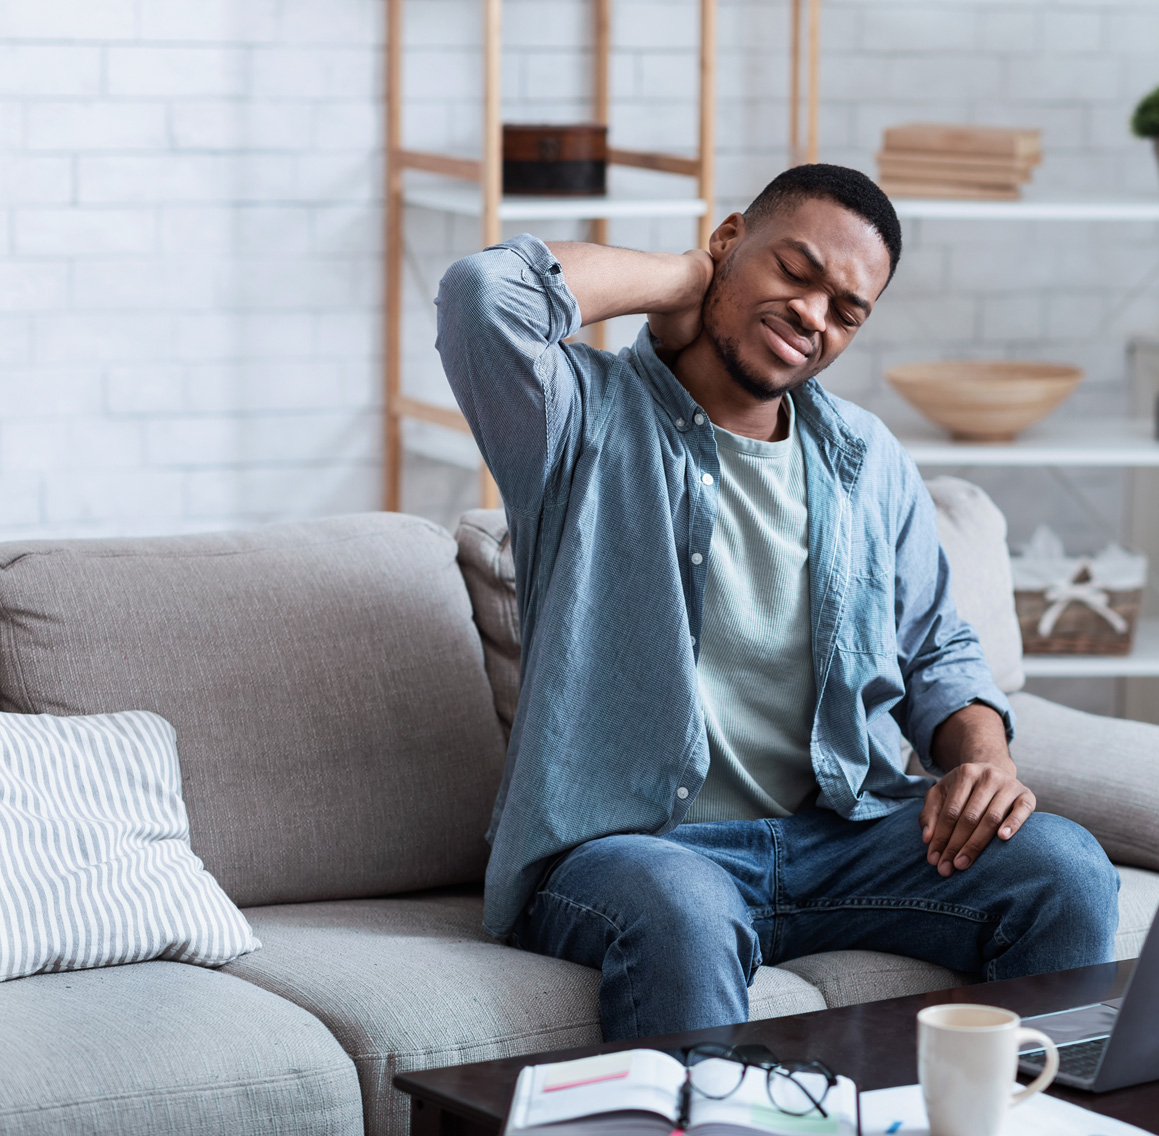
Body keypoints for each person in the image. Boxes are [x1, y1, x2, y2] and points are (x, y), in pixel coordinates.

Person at [435, 163, 1119, 1042]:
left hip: (838, 837)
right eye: (794, 272)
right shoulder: (578, 420)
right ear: (730, 240)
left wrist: (985, 759)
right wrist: (681, 279)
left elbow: (939, 651)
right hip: (634, 852)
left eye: (847, 310)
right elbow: (482, 295)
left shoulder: (867, 460)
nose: (812, 316)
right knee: (681, 906)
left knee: (1063, 867)